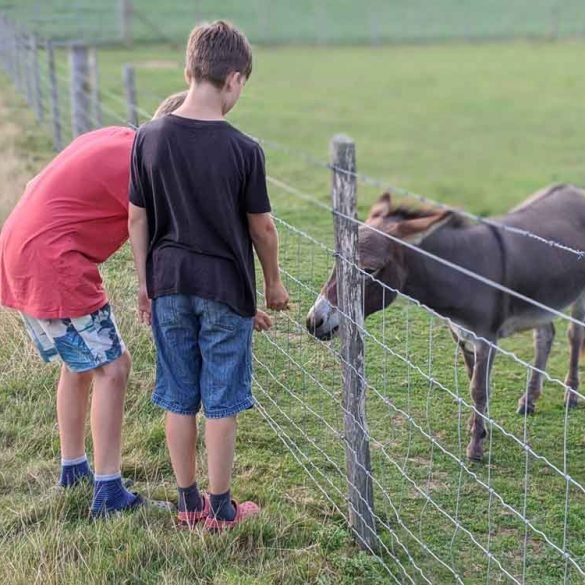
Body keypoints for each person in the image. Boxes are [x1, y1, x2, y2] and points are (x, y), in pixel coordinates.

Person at [128, 20, 289, 531]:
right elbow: (261, 227)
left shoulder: (148, 137)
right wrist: (274, 283)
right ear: (235, 79)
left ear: (188, 69)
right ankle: (221, 508)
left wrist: (144, 284)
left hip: (168, 284)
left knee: (179, 394)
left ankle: (187, 502)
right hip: (224, 290)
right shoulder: (244, 149)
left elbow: (137, 217)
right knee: (221, 400)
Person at [0, 91, 188, 517]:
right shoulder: (147, 167)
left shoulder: (115, 136)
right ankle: (109, 492)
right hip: (52, 259)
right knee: (114, 366)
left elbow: (35, 184)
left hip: (18, 244)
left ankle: (74, 470)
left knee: (83, 362)